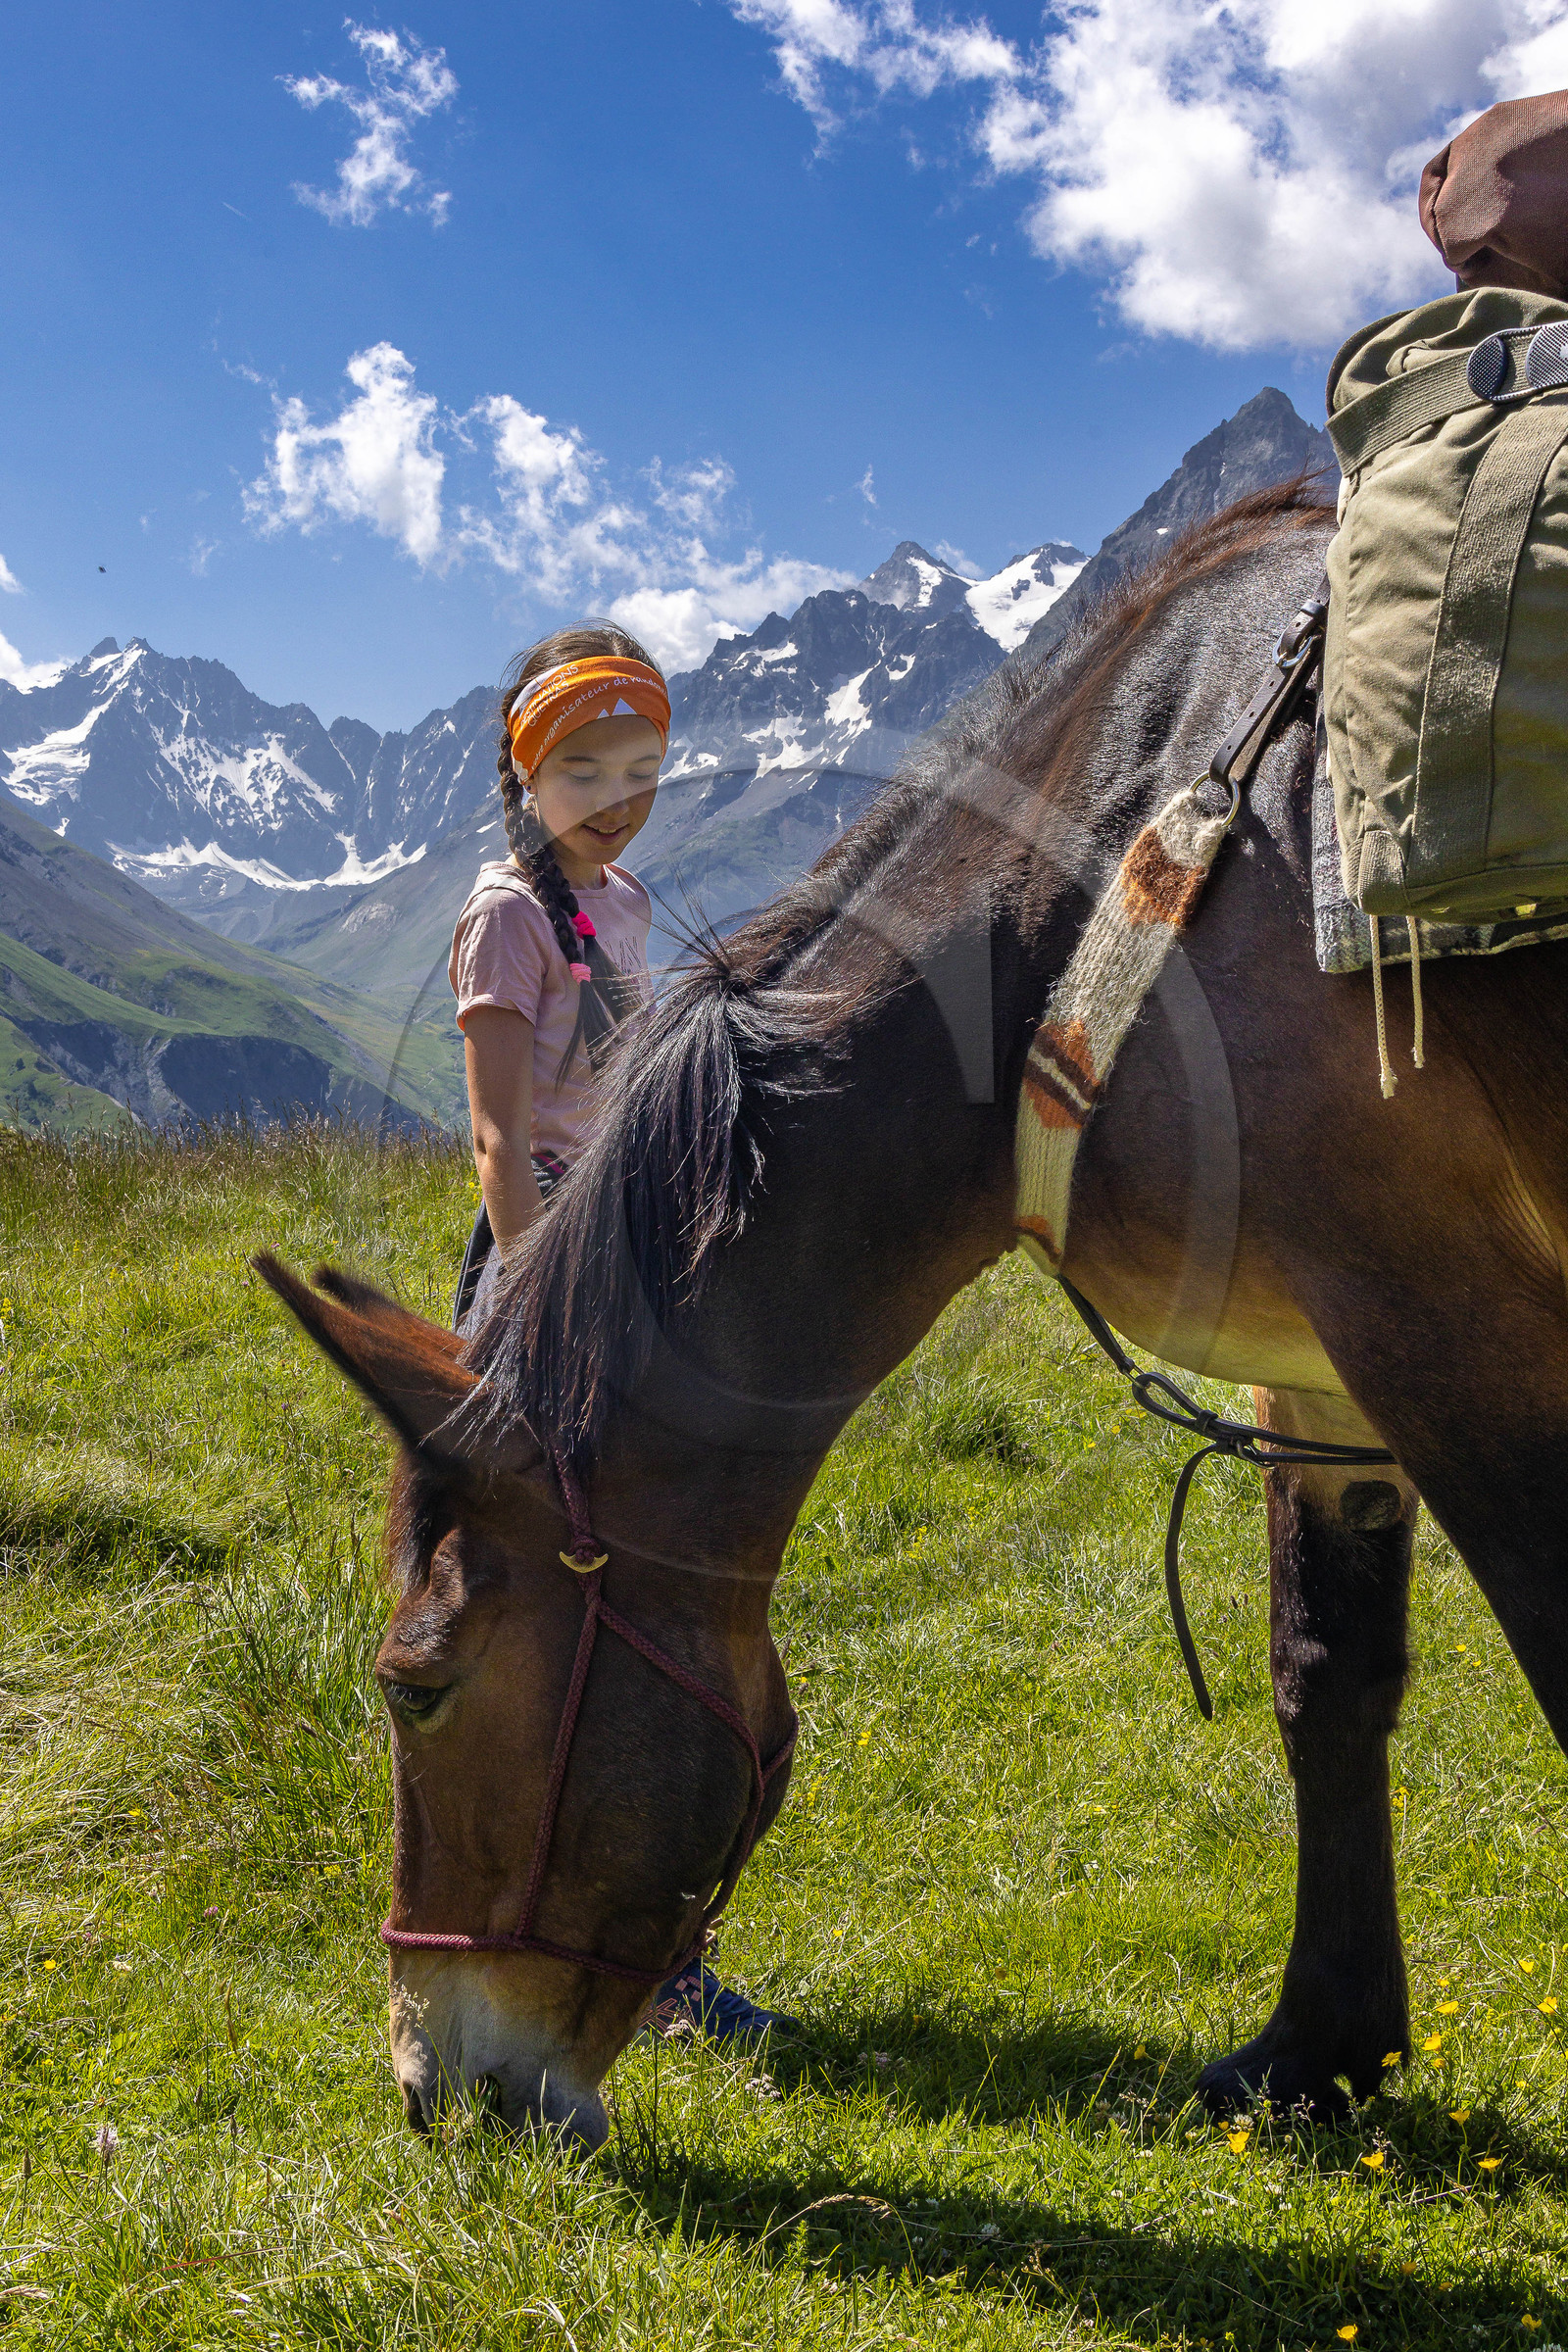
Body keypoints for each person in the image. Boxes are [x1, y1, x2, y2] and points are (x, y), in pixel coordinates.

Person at [447, 621, 794, 2047]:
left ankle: (661, 1954)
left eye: (640, 766)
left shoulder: (630, 901)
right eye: (583, 766)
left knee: (660, 1593)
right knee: (556, 1597)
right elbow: (496, 1132)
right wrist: (542, 1302)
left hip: (634, 1251)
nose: (616, 793)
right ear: (529, 772)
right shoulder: (506, 917)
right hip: (543, 1267)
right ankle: (533, 1921)